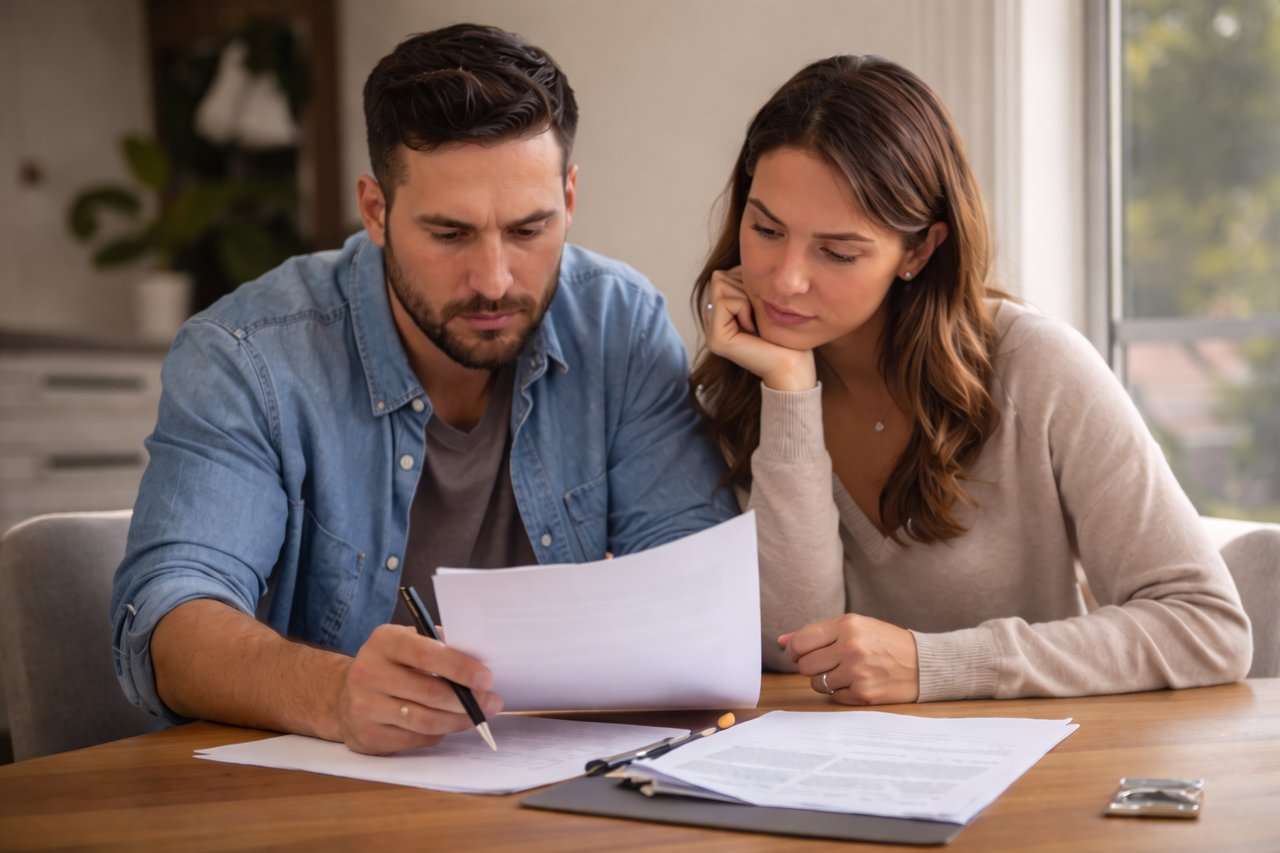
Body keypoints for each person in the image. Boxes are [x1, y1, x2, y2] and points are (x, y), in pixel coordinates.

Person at [112, 23, 736, 755]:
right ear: (375, 210)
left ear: (568, 197)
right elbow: (167, 620)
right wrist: (334, 693)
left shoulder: (618, 325)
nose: (495, 279)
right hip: (310, 799)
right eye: (449, 234)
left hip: (551, 780)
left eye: (530, 228)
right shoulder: (246, 357)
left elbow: (698, 591)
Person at [692, 54, 1252, 704]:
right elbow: (792, 641)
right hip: (848, 784)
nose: (784, 279)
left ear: (921, 250)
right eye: (766, 229)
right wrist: (789, 391)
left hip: (1049, 778)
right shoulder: (737, 388)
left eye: (838, 251)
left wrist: (939, 664)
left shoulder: (1035, 367)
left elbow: (1207, 626)